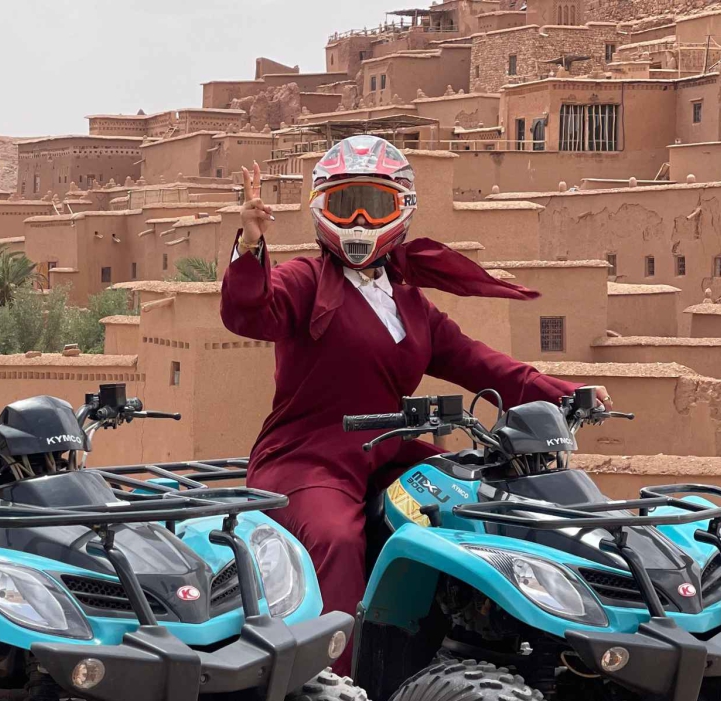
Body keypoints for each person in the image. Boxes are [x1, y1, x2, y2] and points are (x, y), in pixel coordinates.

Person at [219, 137, 609, 672]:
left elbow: (476, 362)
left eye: (374, 204)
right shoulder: (306, 281)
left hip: (388, 453)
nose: (358, 220)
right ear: (319, 210)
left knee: (480, 502)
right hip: (308, 455)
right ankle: (334, 690)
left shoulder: (409, 303)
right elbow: (251, 313)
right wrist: (249, 246)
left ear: (400, 209)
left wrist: (561, 393)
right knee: (335, 537)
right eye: (343, 204)